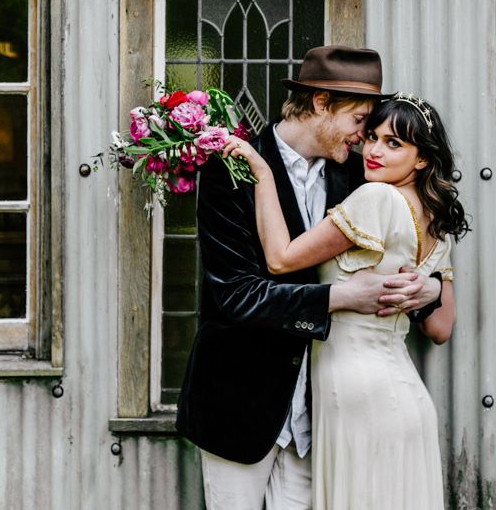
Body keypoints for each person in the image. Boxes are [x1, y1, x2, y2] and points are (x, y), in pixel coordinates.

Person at [175, 46, 447, 509]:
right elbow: (238, 296)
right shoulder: (234, 168)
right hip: (241, 404)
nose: (366, 138)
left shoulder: (360, 177)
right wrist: (339, 297)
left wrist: (430, 289)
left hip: (323, 416)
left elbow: (400, 259)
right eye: (360, 120)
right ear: (321, 103)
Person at [225, 92, 470, 509]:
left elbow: (281, 259)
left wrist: (264, 174)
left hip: (356, 389)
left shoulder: (375, 198)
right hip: (405, 394)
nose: (373, 151)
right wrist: (427, 288)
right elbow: (440, 327)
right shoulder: (436, 220)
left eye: (394, 143)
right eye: (371, 136)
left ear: (423, 159)